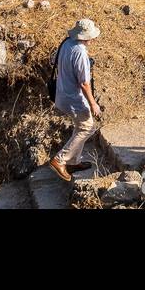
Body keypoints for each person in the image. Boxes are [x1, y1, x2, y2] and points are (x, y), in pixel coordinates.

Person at [47, 18, 103, 181]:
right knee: (88, 128)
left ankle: (73, 161)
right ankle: (60, 160)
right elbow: (84, 83)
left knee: (80, 126)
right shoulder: (80, 51)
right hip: (74, 98)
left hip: (62, 93)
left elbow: (56, 62)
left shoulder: (66, 42)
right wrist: (93, 104)